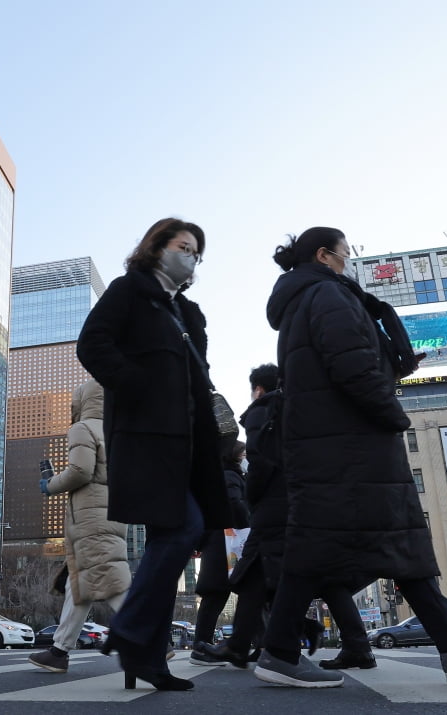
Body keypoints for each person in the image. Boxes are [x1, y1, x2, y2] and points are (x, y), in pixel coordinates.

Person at [255, 227, 447, 687]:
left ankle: (282, 651)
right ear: (325, 255)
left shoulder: (306, 300)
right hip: (353, 443)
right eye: (347, 253)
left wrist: (392, 367)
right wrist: (392, 414)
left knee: (353, 545)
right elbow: (351, 365)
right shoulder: (327, 294)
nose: (351, 261)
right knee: (396, 541)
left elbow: (346, 360)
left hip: (330, 445)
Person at [76, 218, 232, 691]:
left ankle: (146, 658)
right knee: (182, 527)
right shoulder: (128, 291)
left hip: (188, 442)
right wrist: (135, 385)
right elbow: (92, 345)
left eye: (196, 252)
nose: (190, 257)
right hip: (146, 437)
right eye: (183, 246)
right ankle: (130, 630)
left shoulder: (186, 312)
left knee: (182, 537)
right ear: (157, 247)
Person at [202, 364, 370, 671]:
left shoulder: (262, 410)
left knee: (254, 571)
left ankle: (247, 645)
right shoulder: (306, 409)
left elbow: (260, 462)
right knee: (322, 576)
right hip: (309, 502)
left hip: (273, 507)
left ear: (258, 389)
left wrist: (255, 499)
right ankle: (356, 645)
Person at [28, 379, 130, 674]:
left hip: (89, 516)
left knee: (111, 584)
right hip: (113, 512)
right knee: (80, 583)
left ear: (82, 401)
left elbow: (80, 471)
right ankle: (59, 650)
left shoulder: (82, 428)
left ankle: (156, 639)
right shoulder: (116, 432)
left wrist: (50, 485)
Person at [189, 439, 250, 665]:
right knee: (235, 593)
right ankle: (203, 647)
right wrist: (248, 523)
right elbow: (234, 504)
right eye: (242, 454)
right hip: (227, 544)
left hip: (219, 543)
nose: (245, 459)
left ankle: (211, 646)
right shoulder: (230, 475)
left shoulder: (221, 476)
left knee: (218, 596)